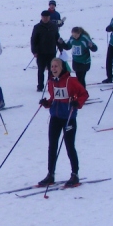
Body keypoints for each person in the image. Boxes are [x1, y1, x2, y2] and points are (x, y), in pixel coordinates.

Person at [37, 58, 88, 187]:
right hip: (55, 117)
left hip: (69, 118)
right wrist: (46, 103)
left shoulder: (71, 81)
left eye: (56, 66)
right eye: (52, 66)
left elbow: (84, 94)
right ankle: (50, 174)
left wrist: (77, 103)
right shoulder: (51, 82)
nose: (53, 69)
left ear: (62, 68)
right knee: (52, 146)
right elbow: (54, 99)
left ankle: (75, 174)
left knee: (69, 146)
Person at [30, 11, 62, 93]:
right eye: (44, 17)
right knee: (41, 70)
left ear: (49, 17)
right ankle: (40, 86)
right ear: (41, 17)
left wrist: (61, 47)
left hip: (51, 52)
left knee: (52, 70)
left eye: (47, 17)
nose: (45, 18)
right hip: (41, 52)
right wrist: (34, 51)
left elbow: (57, 37)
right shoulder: (37, 27)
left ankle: (51, 86)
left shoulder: (54, 26)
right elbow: (33, 40)